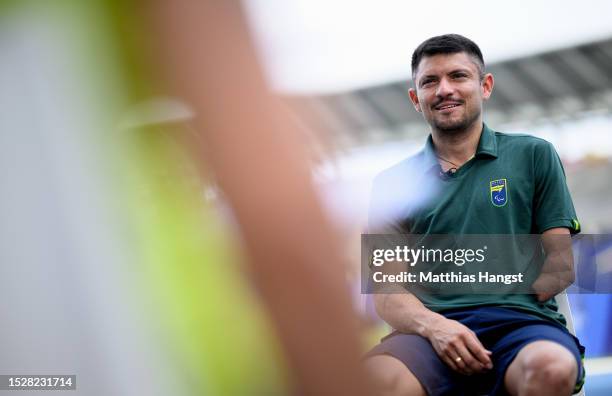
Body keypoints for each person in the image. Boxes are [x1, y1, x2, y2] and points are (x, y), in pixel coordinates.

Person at [364, 34, 585, 396]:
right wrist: (437, 326)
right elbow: (386, 294)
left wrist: (506, 300)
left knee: (550, 369)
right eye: (429, 82)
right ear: (415, 99)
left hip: (519, 325)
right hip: (427, 334)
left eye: (458, 76)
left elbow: (560, 264)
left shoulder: (533, 154)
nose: (444, 89)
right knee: (374, 382)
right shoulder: (390, 184)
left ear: (485, 86)